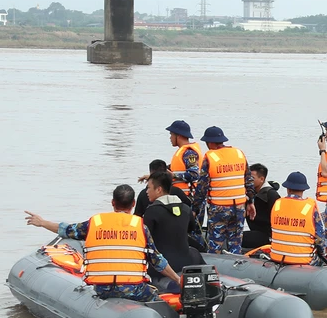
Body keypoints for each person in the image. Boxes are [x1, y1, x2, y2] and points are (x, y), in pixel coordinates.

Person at [24, 184, 180, 301]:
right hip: (132, 289)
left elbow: (67, 230)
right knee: (157, 300)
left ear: (113, 203)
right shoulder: (140, 227)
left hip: (102, 289)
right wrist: (177, 279)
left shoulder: (95, 223)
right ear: (133, 204)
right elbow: (157, 261)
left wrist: (42, 222)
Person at [191, 126, 256, 255]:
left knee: (215, 245)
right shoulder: (238, 154)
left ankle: (216, 270)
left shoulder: (210, 157)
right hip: (239, 207)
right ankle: (236, 269)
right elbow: (248, 181)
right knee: (236, 243)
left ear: (210, 143)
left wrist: (195, 209)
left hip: (219, 209)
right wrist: (251, 202)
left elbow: (202, 187)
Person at [141, 170, 203, 281]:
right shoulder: (186, 209)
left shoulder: (151, 212)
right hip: (185, 262)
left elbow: (144, 240)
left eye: (149, 188)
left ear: (159, 189)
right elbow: (191, 229)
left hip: (162, 269)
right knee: (194, 251)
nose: (146, 191)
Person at [270, 171, 327, 266]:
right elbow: (320, 239)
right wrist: (322, 253)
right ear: (303, 189)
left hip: (277, 257)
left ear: (287, 188)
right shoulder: (309, 207)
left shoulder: (277, 204)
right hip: (303, 259)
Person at [138, 120, 202, 200]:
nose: (170, 138)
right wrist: (152, 176)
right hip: (179, 196)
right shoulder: (181, 152)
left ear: (178, 136)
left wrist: (174, 175)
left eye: (171, 135)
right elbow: (170, 171)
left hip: (188, 198)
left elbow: (195, 174)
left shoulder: (189, 153)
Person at [242, 163, 281, 249]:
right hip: (256, 231)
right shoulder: (250, 193)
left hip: (267, 235)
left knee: (237, 238)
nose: (248, 181)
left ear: (262, 179)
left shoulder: (271, 195)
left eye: (252, 178)